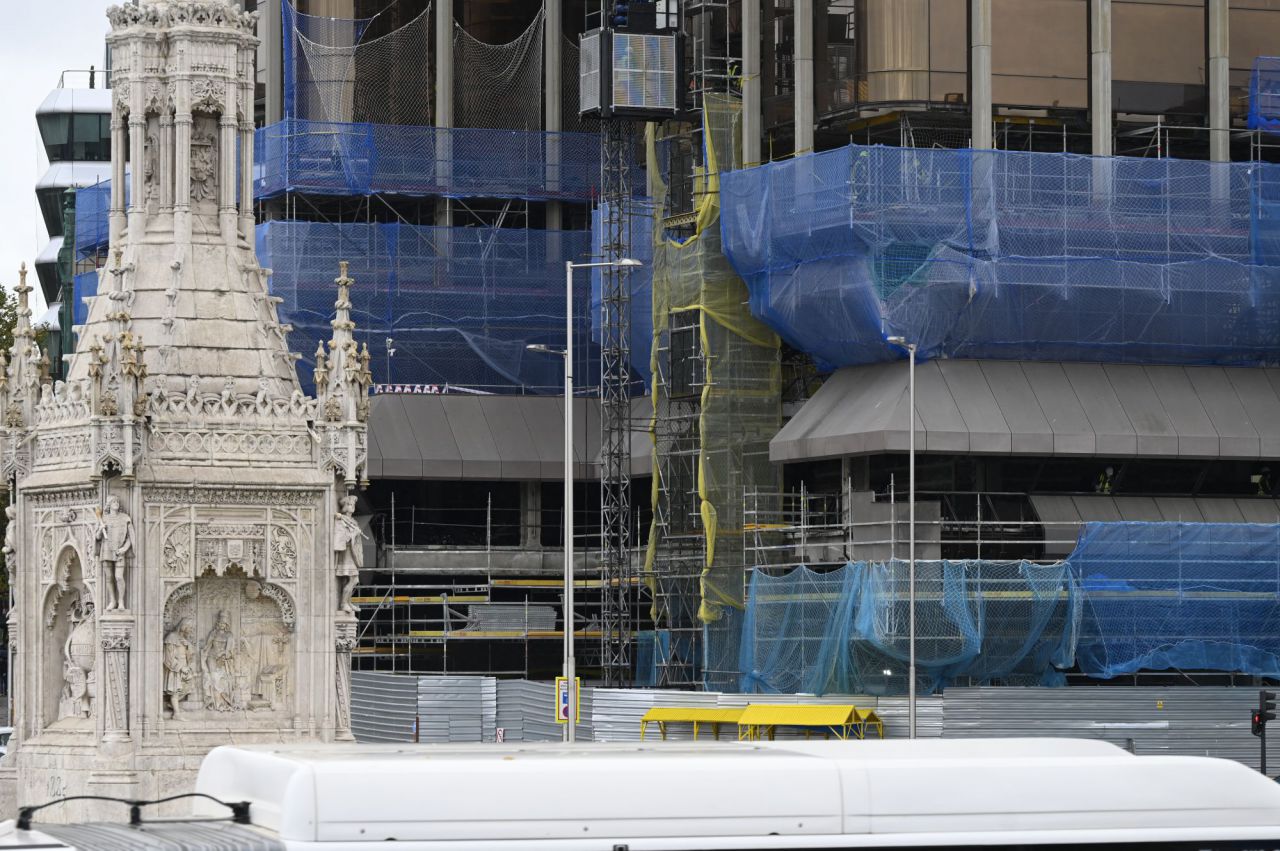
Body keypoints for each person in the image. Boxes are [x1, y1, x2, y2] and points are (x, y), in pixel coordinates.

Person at [95, 496, 134, 610]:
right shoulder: (104, 518)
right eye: (113, 502)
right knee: (109, 577)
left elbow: (130, 537)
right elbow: (97, 537)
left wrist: (125, 549)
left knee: (119, 577)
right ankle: (112, 600)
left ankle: (121, 600)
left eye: (117, 501)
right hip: (106, 549)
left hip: (119, 550)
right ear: (109, 504)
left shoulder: (125, 518)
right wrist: (100, 529)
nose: (116, 503)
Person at [333, 495, 366, 614]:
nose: (352, 507)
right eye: (350, 504)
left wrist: (356, 533)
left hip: (353, 555)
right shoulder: (341, 521)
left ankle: (347, 601)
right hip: (346, 555)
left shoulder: (353, 521)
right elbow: (340, 539)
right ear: (345, 507)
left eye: (353, 505)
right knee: (353, 579)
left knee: (354, 580)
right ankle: (343, 603)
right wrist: (354, 534)